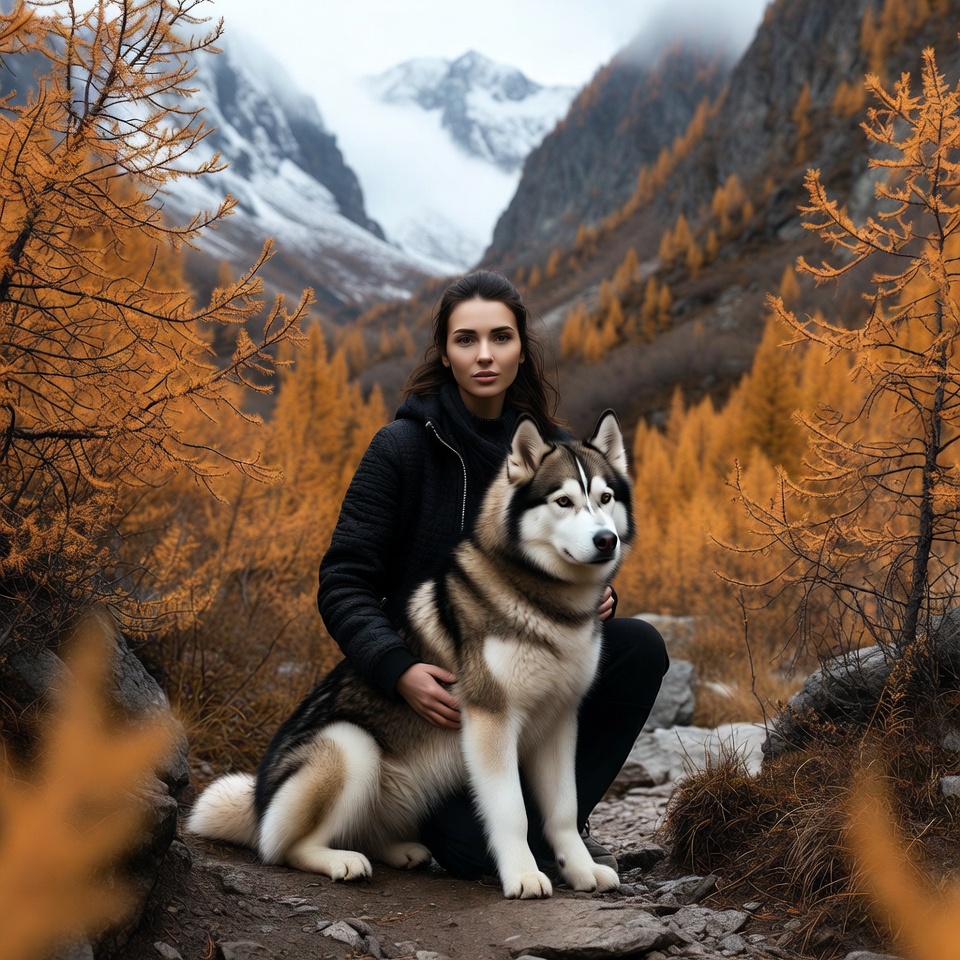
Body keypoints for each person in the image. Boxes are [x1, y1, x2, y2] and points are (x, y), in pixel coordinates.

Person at [317, 269, 668, 880]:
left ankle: (560, 825)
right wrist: (397, 669)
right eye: (466, 340)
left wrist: (598, 589)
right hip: (437, 697)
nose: (484, 355)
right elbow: (343, 578)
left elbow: (588, 534)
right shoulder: (401, 447)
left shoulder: (556, 450)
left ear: (520, 348)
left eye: (501, 337)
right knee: (472, 857)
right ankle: (488, 828)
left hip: (530, 656)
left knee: (638, 646)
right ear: (445, 353)